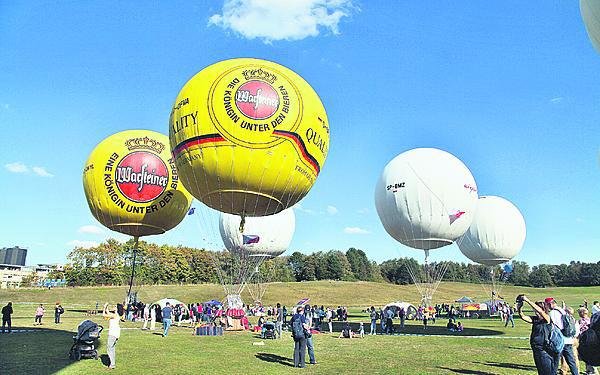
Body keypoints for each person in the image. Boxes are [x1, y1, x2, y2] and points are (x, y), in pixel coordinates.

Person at [517, 294, 557, 375]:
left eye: (536, 309)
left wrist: (528, 300)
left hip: (545, 350)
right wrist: (519, 308)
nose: (535, 312)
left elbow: (541, 312)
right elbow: (523, 317)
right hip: (537, 349)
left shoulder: (547, 318)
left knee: (548, 372)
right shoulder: (535, 319)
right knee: (541, 371)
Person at [546, 297, 578, 375]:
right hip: (568, 339)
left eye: (546, 305)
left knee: (555, 360)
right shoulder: (562, 310)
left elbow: (553, 326)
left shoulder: (553, 312)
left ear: (550, 304)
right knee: (571, 361)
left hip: (559, 340)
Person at [577, 307, 597, 375]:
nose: (579, 314)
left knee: (588, 354)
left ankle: (592, 370)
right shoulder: (591, 320)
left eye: (579, 312)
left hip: (586, 340)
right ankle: (588, 370)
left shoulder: (581, 321)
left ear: (582, 313)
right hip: (591, 340)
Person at [103, 303, 121, 370]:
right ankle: (112, 364)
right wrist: (106, 307)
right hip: (115, 333)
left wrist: (104, 308)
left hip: (113, 334)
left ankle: (112, 364)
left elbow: (104, 315)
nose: (114, 307)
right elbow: (108, 313)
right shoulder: (115, 315)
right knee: (112, 348)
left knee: (109, 348)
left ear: (117, 309)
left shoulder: (115, 315)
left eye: (116, 307)